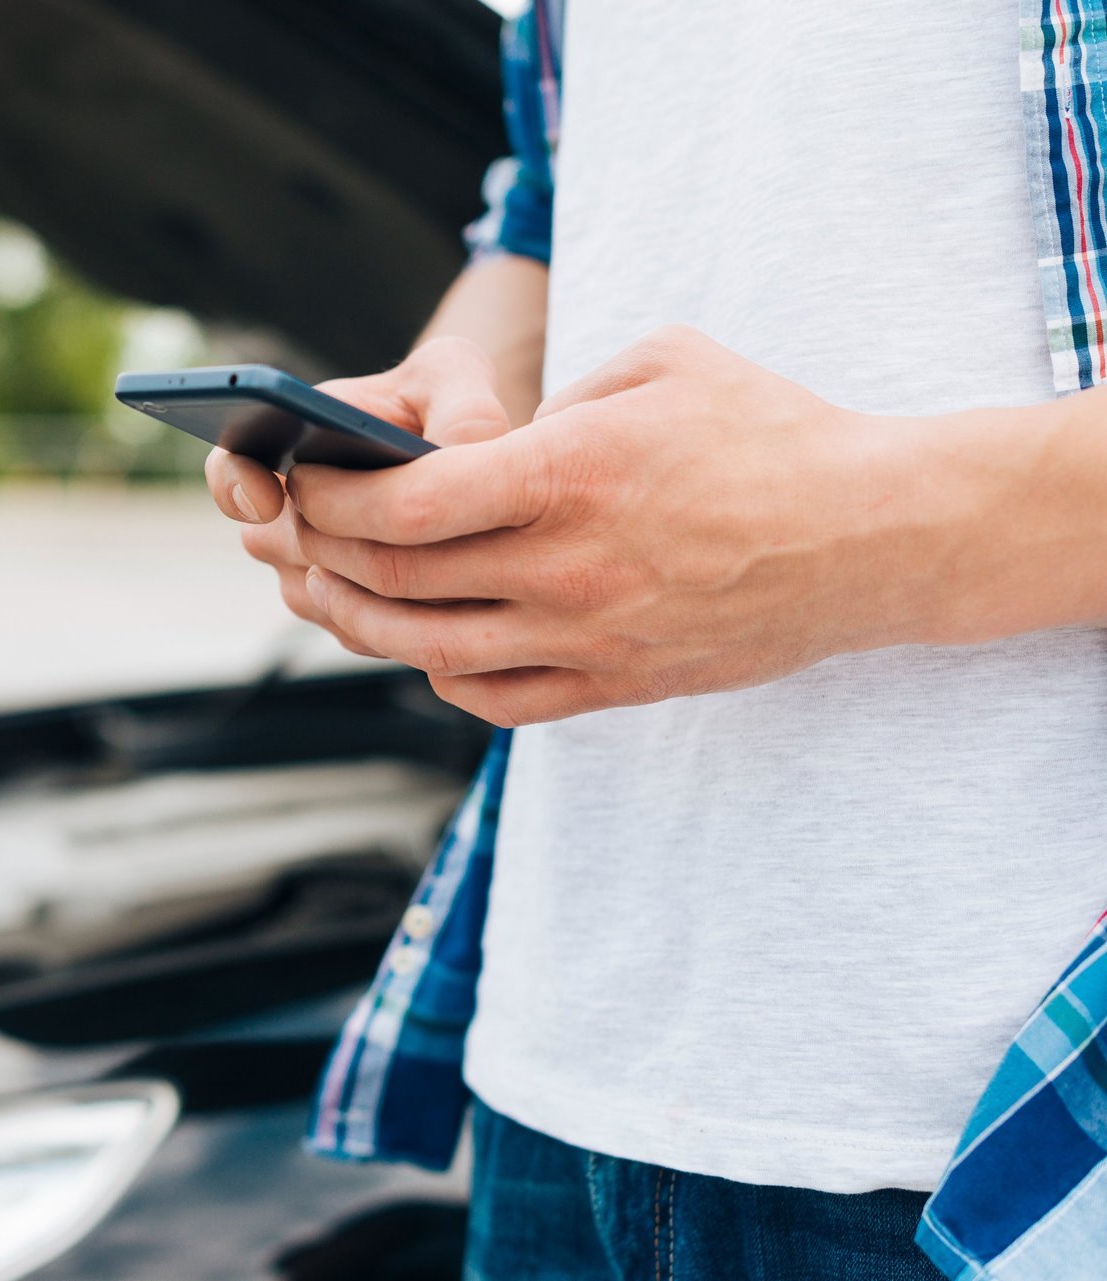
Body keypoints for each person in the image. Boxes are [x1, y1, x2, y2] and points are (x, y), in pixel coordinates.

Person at [206, 3, 1107, 1279]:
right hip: (562, 1081)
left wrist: (861, 531)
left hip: (1022, 1131)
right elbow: (552, 210)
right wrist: (444, 422)